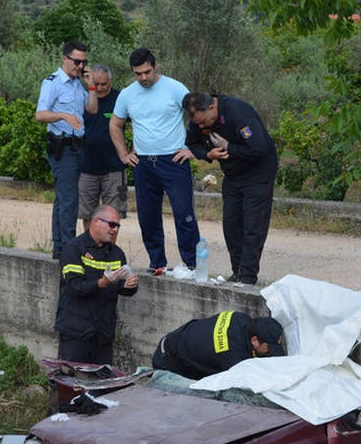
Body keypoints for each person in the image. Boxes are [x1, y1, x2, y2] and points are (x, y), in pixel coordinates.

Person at [109, 47, 200, 273]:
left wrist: (191, 149)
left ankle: (192, 264)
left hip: (174, 160)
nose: (143, 78)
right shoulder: (127, 94)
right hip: (143, 163)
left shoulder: (175, 88)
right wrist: (123, 154)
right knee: (148, 216)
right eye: (138, 74)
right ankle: (157, 262)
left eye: (147, 72)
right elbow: (115, 124)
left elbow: (197, 116)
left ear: (155, 66)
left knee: (184, 214)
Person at [183, 92, 278, 285]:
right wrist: (208, 153)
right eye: (198, 124)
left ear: (211, 107)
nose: (201, 127)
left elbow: (259, 148)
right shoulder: (199, 118)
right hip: (233, 175)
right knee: (231, 226)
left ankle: (248, 278)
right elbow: (192, 144)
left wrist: (229, 147)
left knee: (252, 226)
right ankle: (238, 272)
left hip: (258, 173)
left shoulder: (238, 113)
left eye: (203, 123)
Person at [36, 40, 98, 259]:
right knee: (70, 200)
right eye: (77, 62)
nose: (80, 66)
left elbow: (91, 109)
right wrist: (63, 115)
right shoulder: (52, 83)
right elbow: (40, 115)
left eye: (84, 62)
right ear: (65, 59)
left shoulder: (76, 85)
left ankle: (60, 247)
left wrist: (91, 85)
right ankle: (69, 249)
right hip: (62, 147)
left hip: (77, 147)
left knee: (63, 198)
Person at [56, 204, 139, 364]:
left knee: (102, 386)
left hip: (103, 335)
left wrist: (130, 285)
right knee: (71, 384)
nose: (114, 229)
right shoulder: (73, 249)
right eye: (111, 224)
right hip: (76, 333)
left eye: (118, 226)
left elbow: (121, 288)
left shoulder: (117, 254)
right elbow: (75, 287)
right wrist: (101, 283)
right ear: (95, 223)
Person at [151, 311, 285, 380]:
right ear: (255, 340)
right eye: (268, 350)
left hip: (177, 340)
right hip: (168, 362)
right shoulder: (233, 355)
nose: (269, 355)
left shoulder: (241, 318)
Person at [78, 64, 128, 231]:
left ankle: (109, 253)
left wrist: (133, 152)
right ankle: (89, 249)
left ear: (110, 82)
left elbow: (141, 123)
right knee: (87, 215)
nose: (99, 88)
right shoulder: (84, 98)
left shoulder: (120, 99)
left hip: (114, 169)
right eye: (96, 84)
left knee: (113, 215)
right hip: (86, 168)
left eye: (104, 84)